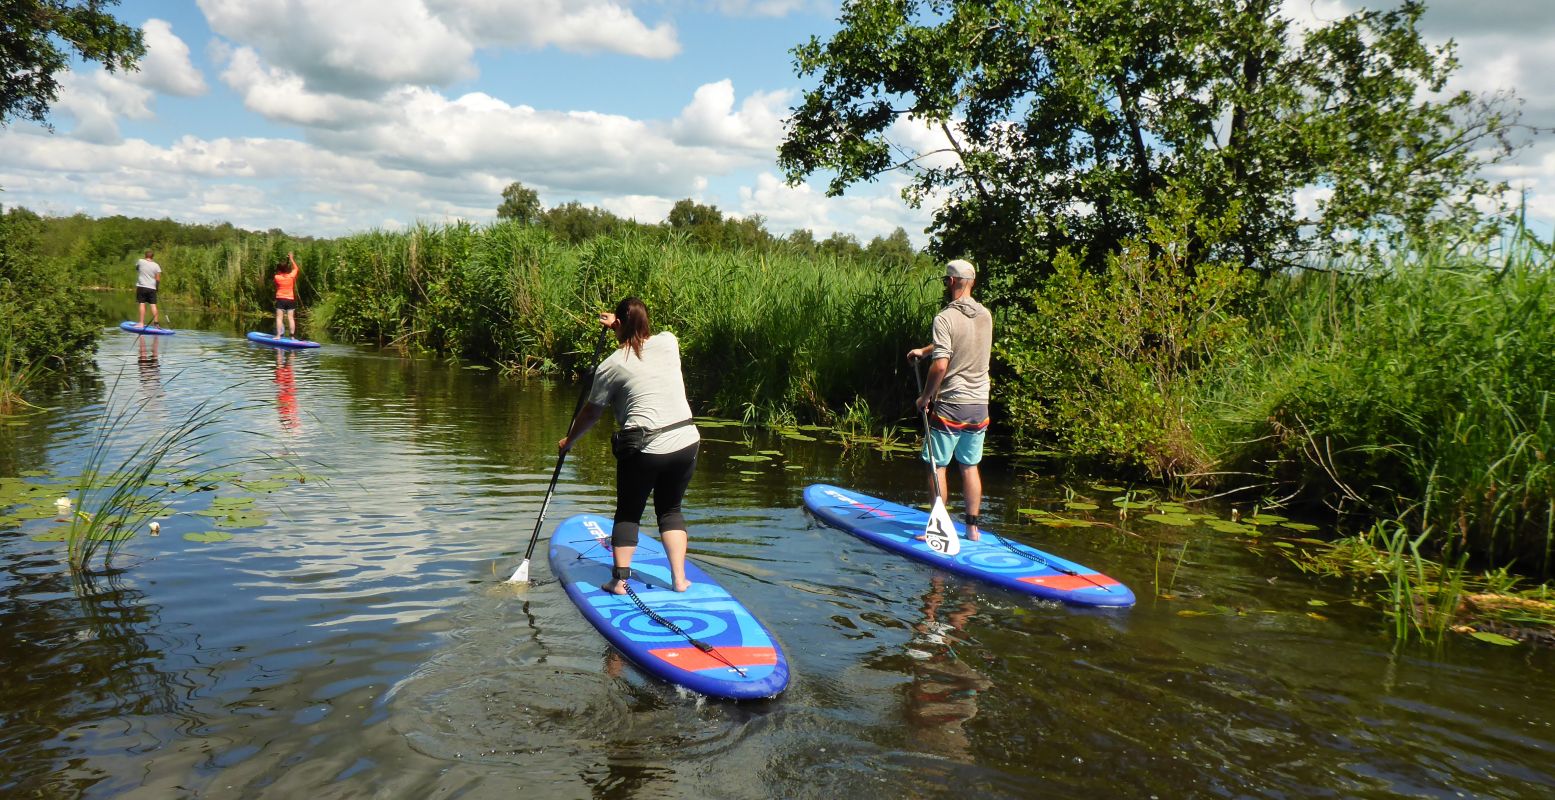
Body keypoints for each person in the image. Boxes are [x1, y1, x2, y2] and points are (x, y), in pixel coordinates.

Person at [557, 297, 701, 595]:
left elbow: (592, 413)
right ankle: (679, 580)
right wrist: (620, 325)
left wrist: (569, 441)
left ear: (619, 324)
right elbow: (641, 337)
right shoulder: (668, 342)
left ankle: (619, 582)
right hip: (686, 440)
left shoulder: (610, 366)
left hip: (644, 448)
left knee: (628, 513)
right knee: (670, 509)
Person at [907, 258, 993, 541]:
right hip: (980, 404)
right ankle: (972, 529)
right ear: (973, 282)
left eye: (946, 280)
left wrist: (925, 396)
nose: (946, 285)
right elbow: (958, 340)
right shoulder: (985, 315)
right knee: (969, 465)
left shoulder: (944, 318)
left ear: (952, 282)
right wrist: (926, 349)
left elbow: (942, 364)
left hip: (952, 404)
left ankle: (939, 529)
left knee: (938, 464)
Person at [273, 252, 301, 339]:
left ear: (279, 269)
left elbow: (277, 283)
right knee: (291, 318)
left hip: (281, 299)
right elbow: (296, 268)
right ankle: (292, 336)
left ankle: (278, 335)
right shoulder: (292, 276)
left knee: (279, 318)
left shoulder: (277, 277)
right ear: (287, 269)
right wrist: (291, 258)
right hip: (290, 299)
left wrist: (284, 266)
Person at [135, 250, 161, 327]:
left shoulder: (140, 261)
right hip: (152, 288)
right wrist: (157, 288)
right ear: (152, 257)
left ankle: (141, 323)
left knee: (142, 304)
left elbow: (137, 268)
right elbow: (158, 279)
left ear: (145, 256)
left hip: (142, 286)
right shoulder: (156, 265)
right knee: (153, 305)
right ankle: (156, 324)